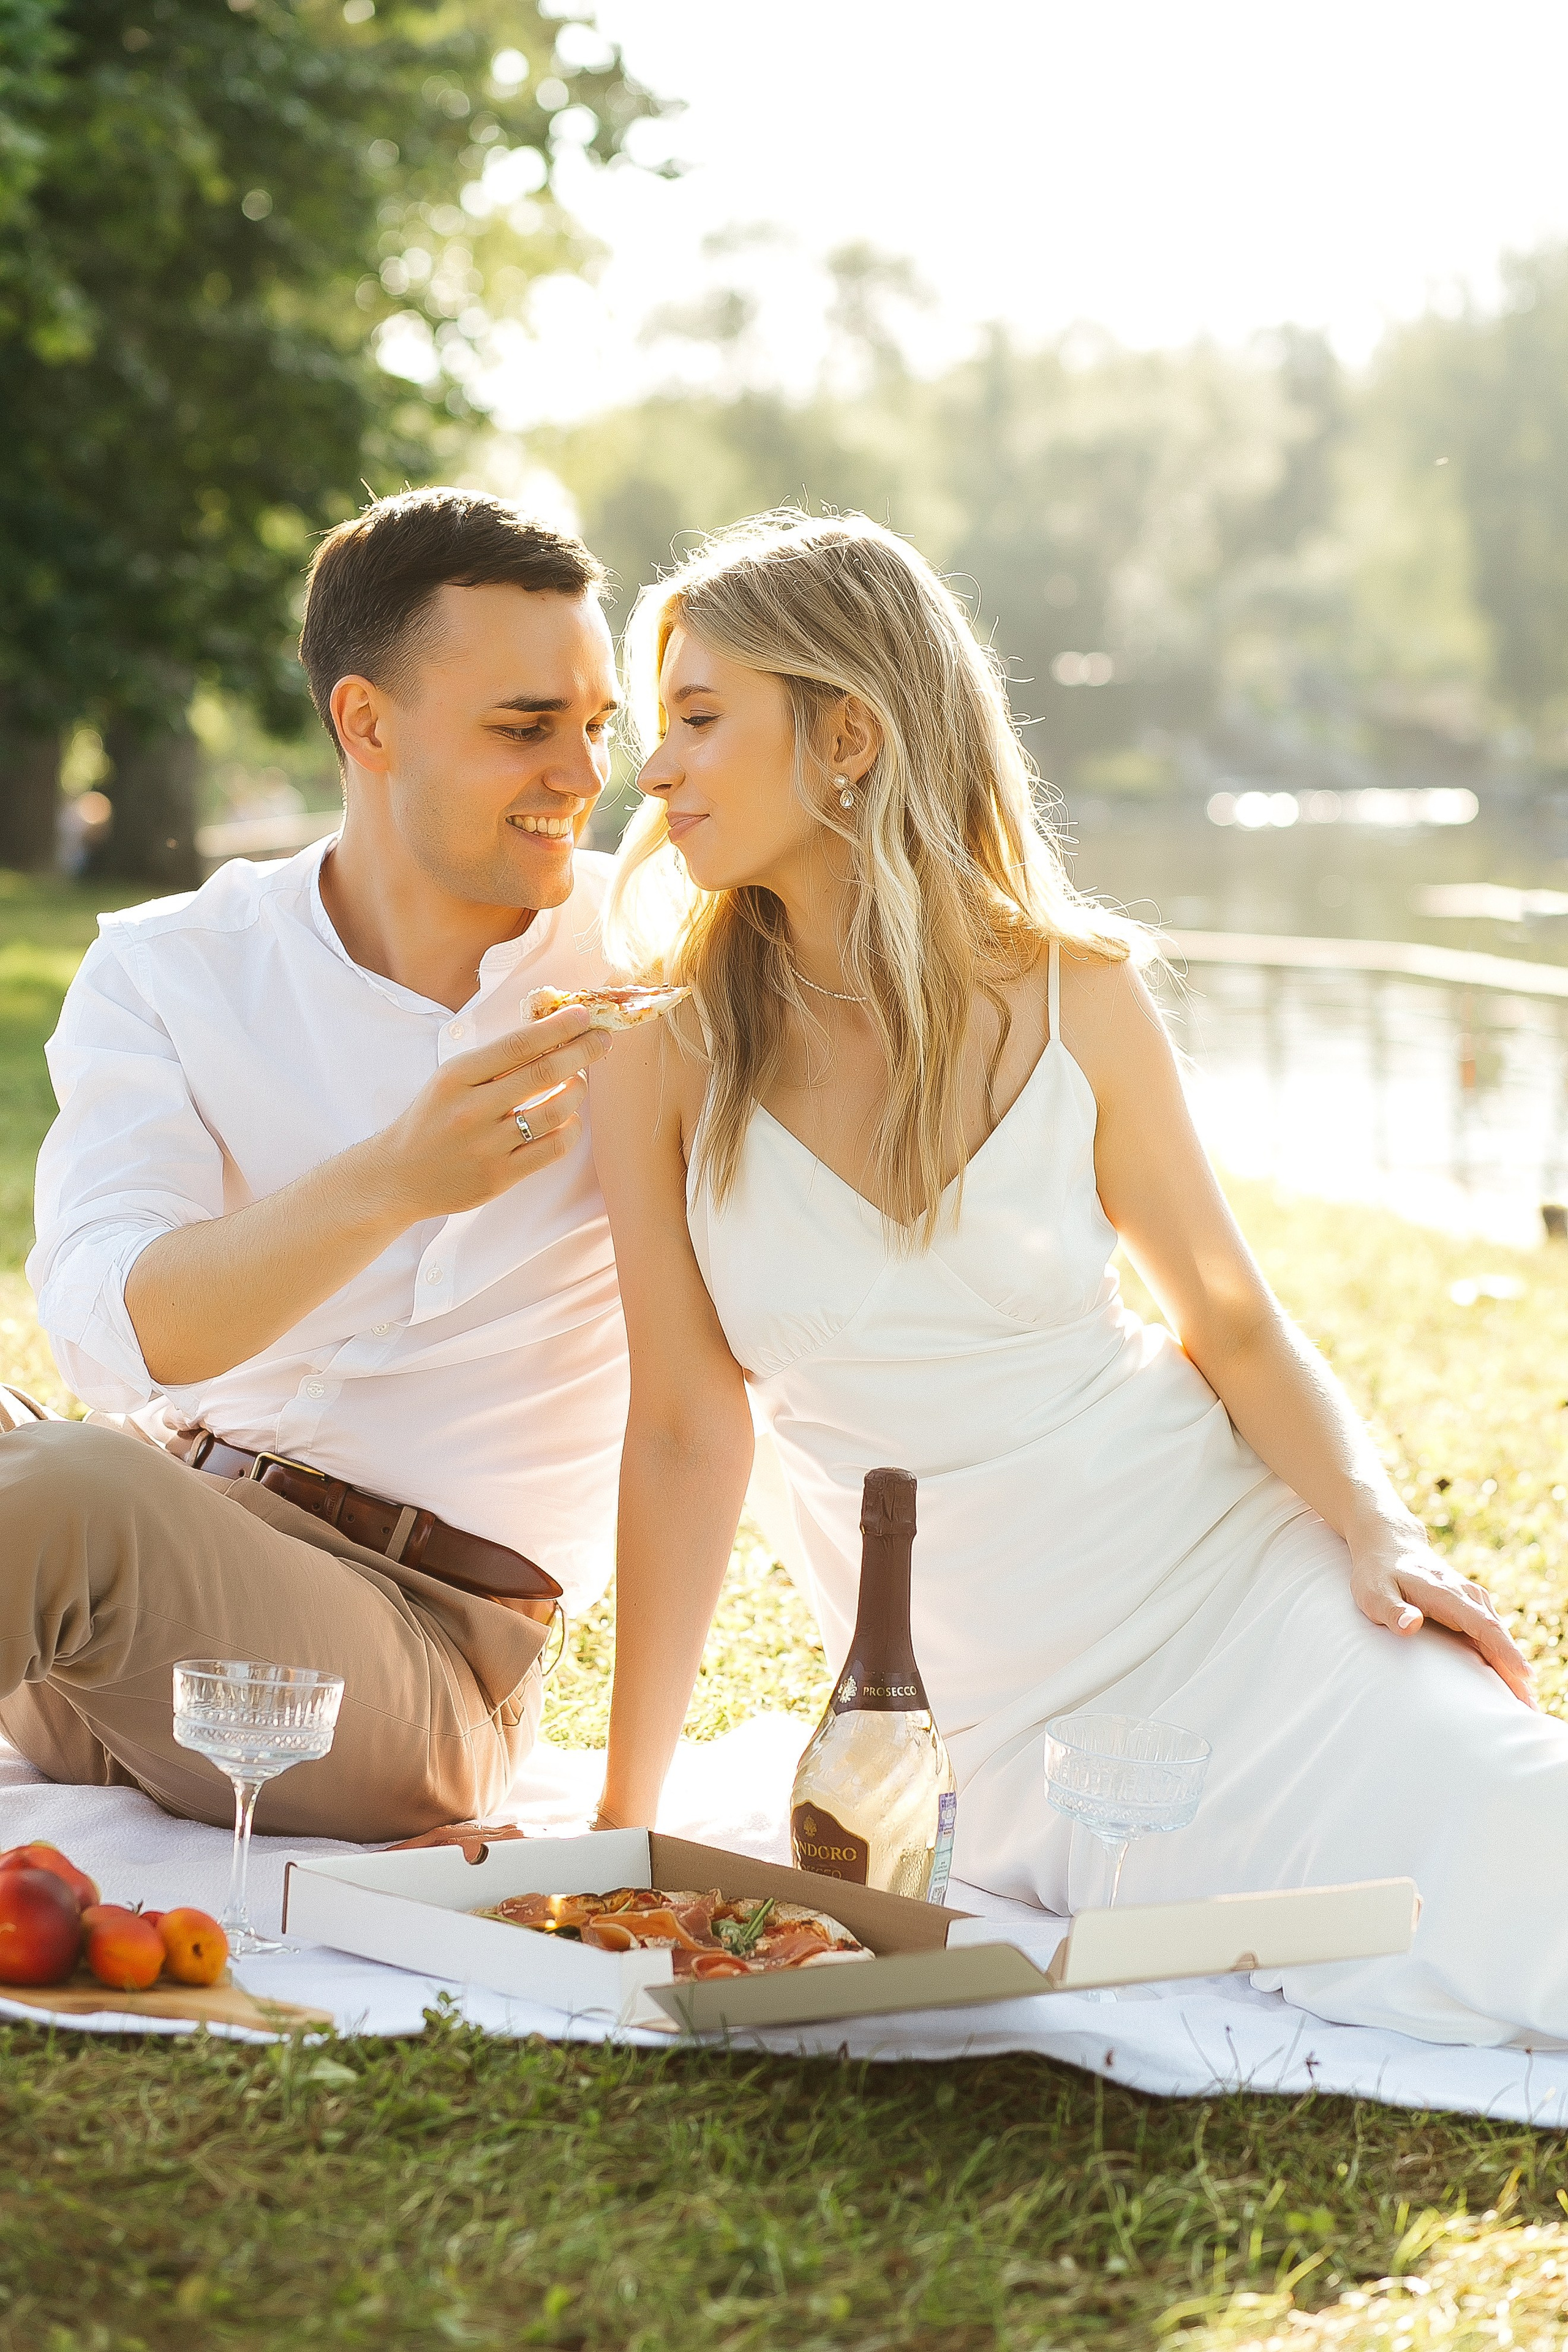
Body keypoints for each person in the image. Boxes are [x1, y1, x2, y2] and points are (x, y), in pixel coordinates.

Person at [589, 508, 1568, 2048]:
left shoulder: (1074, 992)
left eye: (700, 720)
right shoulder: (659, 1057)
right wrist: (618, 1824)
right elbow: (683, 1432)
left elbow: (1227, 1319)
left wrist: (1375, 1532)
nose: (652, 771)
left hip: (1231, 1597)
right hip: (973, 1723)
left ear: (848, 732)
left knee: (1523, 1849)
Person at [1, 488, 630, 1841]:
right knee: (73, 1480)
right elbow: (117, 1336)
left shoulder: (656, 956)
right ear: (366, 722)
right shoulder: (173, 967)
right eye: (525, 728)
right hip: (138, 1599)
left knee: (69, 1496)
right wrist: (396, 1176)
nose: (580, 775)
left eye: (596, 727)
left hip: (412, 1669)